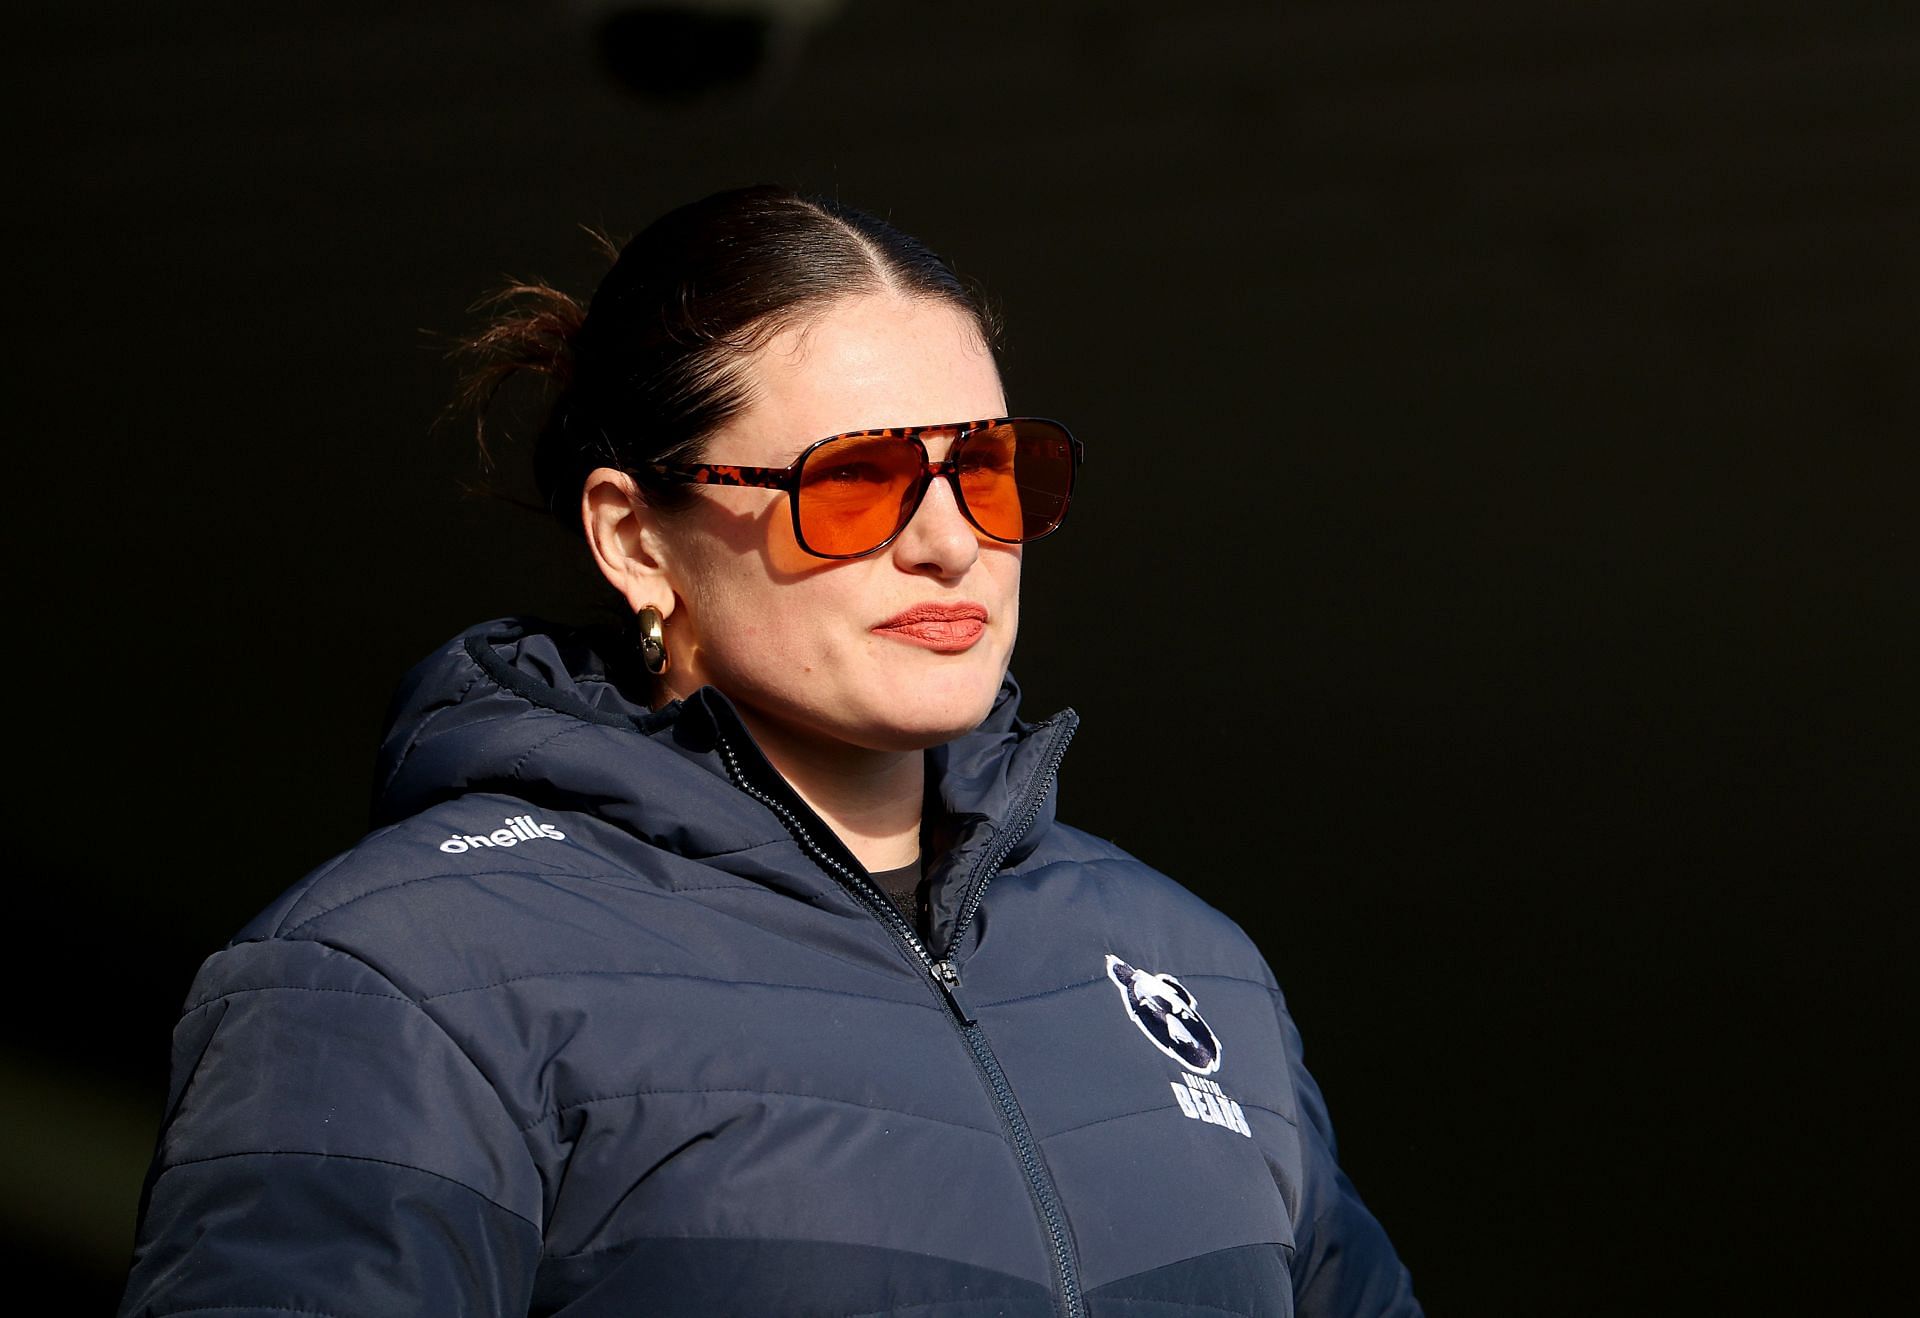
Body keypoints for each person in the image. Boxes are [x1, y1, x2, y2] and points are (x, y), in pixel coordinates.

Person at [118, 185, 1422, 1318]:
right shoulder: (407, 974)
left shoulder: (1190, 971)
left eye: (994, 471)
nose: (950, 542)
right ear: (636, 538)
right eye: (855, 483)